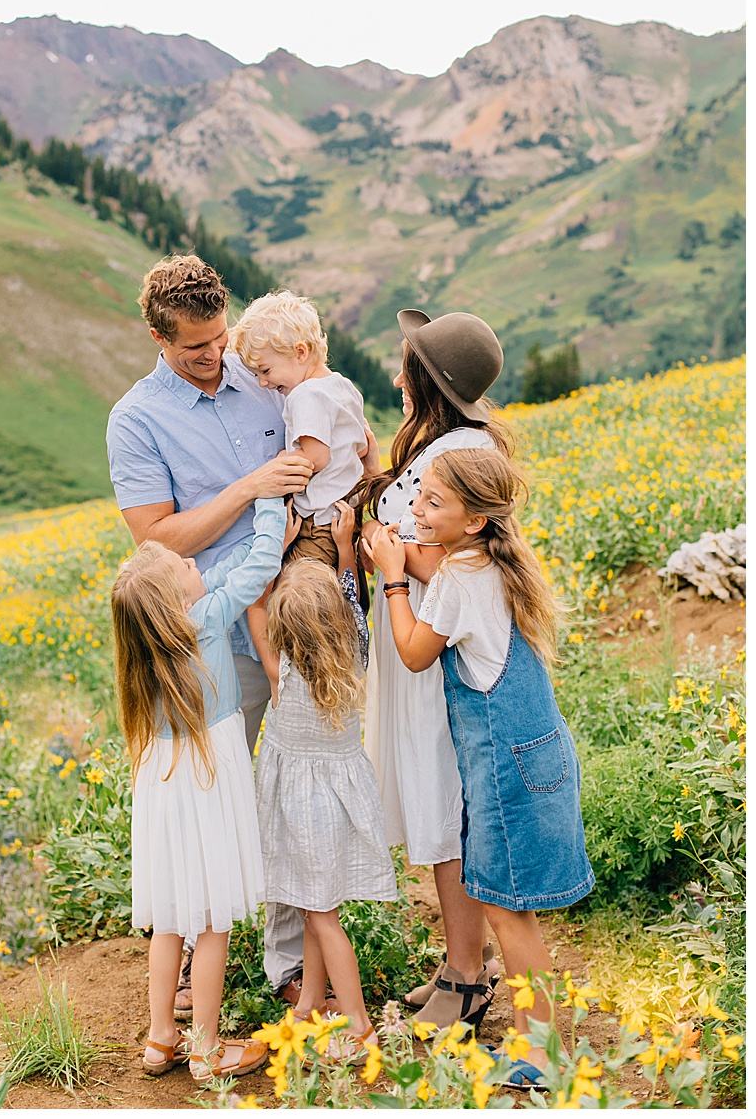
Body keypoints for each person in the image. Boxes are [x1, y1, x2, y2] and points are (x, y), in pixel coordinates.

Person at [108, 256, 373, 1009]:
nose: (213, 355)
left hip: (290, 621)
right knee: (207, 798)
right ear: (158, 337)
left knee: (292, 790)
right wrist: (248, 490)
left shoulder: (264, 376)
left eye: (220, 337)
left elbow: (337, 441)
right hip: (203, 644)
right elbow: (155, 539)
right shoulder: (134, 419)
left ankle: (288, 963)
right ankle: (196, 959)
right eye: (195, 346)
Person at [368, 448, 592, 1088]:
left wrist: (389, 578)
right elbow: (432, 568)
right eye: (419, 496)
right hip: (530, 752)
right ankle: (529, 1040)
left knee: (508, 914)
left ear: (472, 520)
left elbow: (414, 652)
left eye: (433, 502)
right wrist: (401, 554)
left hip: (505, 769)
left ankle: (540, 1054)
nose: (416, 509)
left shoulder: (461, 580)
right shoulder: (484, 560)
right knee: (508, 905)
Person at [357, 310, 511, 1027]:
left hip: (427, 640)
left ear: (430, 383)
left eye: (406, 367)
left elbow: (444, 557)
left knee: (444, 804)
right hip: (417, 633)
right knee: (438, 800)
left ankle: (470, 976)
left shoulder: (454, 451)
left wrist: (388, 558)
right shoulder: (453, 443)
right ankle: (460, 961)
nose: (395, 377)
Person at [119, 495, 292, 1083]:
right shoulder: (211, 615)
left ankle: (160, 1036)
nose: (196, 563)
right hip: (209, 776)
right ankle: (206, 1047)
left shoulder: (148, 640)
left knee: (169, 916)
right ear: (180, 595)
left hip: (162, 781)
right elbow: (262, 559)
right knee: (213, 917)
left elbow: (213, 574)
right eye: (187, 565)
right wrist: (269, 499)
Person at [253, 504, 395, 1058]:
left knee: (323, 918)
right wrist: (340, 551)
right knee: (319, 907)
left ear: (289, 632)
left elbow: (254, 606)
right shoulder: (353, 651)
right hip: (340, 800)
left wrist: (276, 551)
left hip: (304, 812)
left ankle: (357, 1024)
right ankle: (311, 1002)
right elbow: (352, 599)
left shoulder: (283, 674)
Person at [227, 289, 371, 698]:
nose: (263, 382)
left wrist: (276, 468)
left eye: (267, 370)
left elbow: (316, 457)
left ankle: (302, 689)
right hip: (342, 518)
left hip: (314, 525)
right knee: (340, 601)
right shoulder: (342, 386)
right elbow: (356, 448)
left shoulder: (305, 395)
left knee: (300, 612)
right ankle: (333, 677)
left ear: (301, 352)